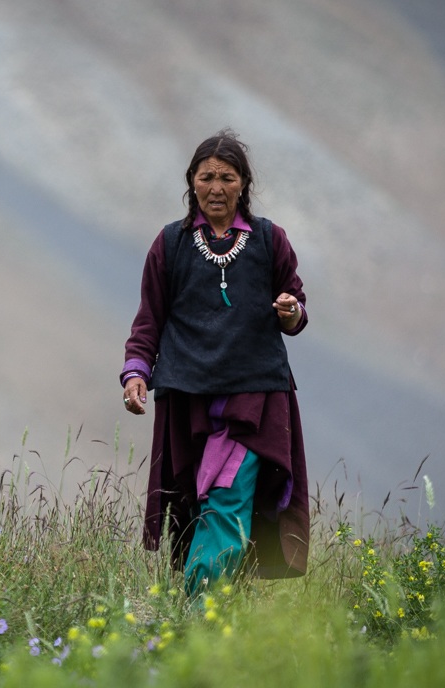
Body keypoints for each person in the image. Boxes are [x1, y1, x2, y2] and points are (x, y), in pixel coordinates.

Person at [121, 129, 309, 593]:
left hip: (254, 402)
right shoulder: (170, 245)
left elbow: (296, 310)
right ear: (192, 182)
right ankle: (217, 609)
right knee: (192, 508)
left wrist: (290, 311)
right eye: (207, 177)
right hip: (188, 402)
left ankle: (195, 613)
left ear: (243, 183)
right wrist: (135, 374)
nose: (217, 187)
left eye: (228, 177)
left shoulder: (270, 241)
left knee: (227, 499)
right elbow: (149, 320)